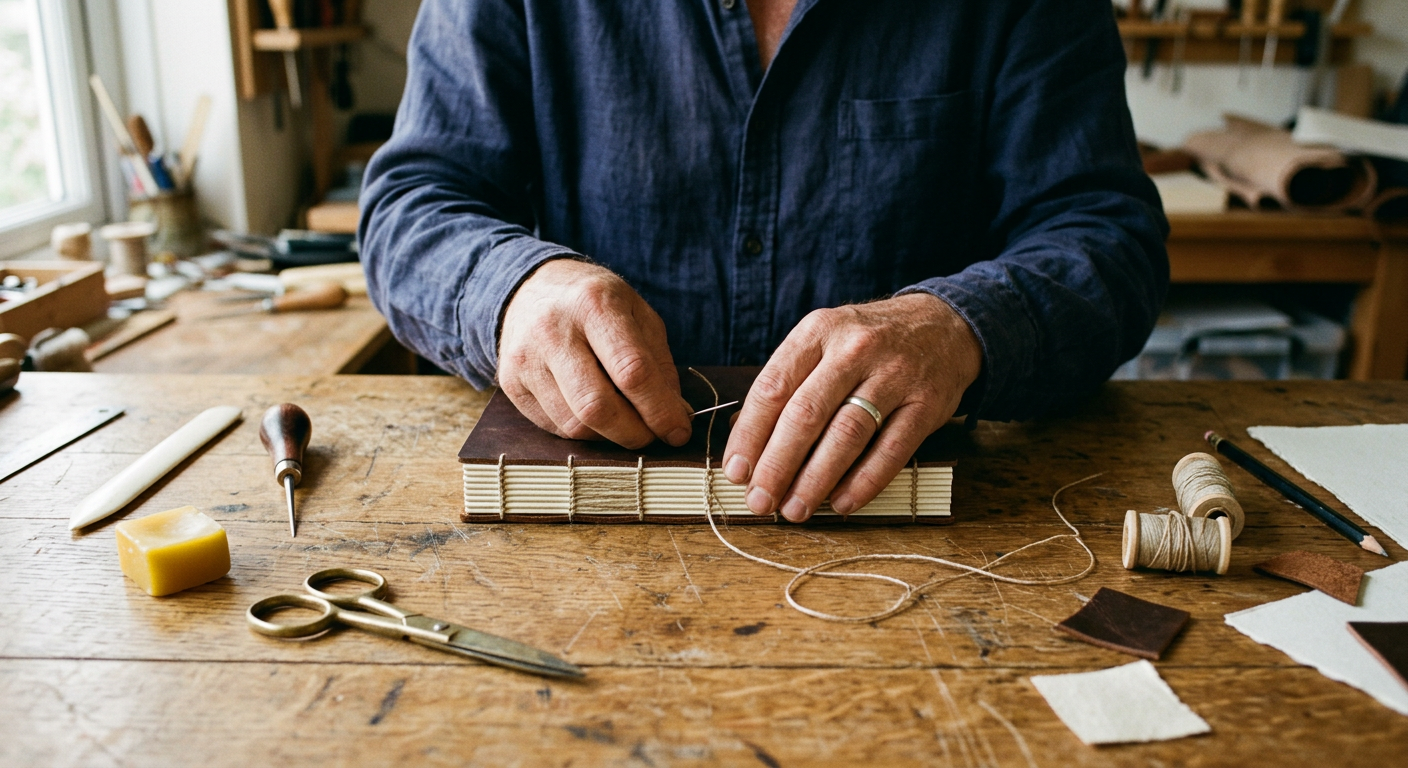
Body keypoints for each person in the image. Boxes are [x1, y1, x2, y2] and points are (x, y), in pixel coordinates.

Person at [360, 0, 1169, 524]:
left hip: (926, 535)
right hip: (591, 537)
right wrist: (511, 290)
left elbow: (1106, 236)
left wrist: (960, 326)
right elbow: (412, 203)